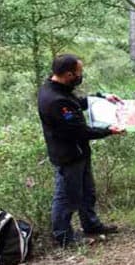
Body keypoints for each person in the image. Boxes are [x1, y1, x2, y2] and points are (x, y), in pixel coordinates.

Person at [38, 54, 125, 247]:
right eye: (79, 73)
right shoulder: (55, 100)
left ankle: (92, 225)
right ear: (68, 74)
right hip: (68, 155)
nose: (81, 76)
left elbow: (76, 103)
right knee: (67, 197)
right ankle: (64, 237)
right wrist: (109, 131)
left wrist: (102, 98)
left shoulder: (59, 88)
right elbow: (80, 131)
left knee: (87, 192)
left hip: (78, 152)